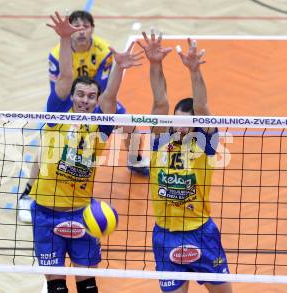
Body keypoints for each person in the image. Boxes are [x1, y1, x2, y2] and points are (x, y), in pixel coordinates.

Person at [29, 12, 143, 293]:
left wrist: (119, 68)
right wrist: (64, 38)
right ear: (72, 97)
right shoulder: (57, 114)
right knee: (55, 285)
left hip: (81, 212)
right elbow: (66, 76)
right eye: (80, 95)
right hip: (45, 212)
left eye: (91, 97)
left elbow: (111, 98)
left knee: (87, 284)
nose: (85, 100)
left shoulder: (101, 125)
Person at [18, 10, 148, 223]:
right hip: (69, 100)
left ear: (92, 29)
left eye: (84, 26)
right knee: (48, 145)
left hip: (94, 97)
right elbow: (63, 81)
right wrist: (64, 38)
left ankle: (134, 159)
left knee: (129, 124)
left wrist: (95, 102)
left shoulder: (104, 51)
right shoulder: (57, 52)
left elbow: (106, 93)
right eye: (75, 27)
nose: (80, 31)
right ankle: (28, 190)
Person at [138, 30, 232, 293]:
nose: (180, 126)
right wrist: (155, 63)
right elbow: (160, 102)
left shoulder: (205, 144)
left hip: (200, 231)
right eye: (176, 120)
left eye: (186, 122)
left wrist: (193, 72)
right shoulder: (160, 140)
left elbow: (202, 109)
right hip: (166, 234)